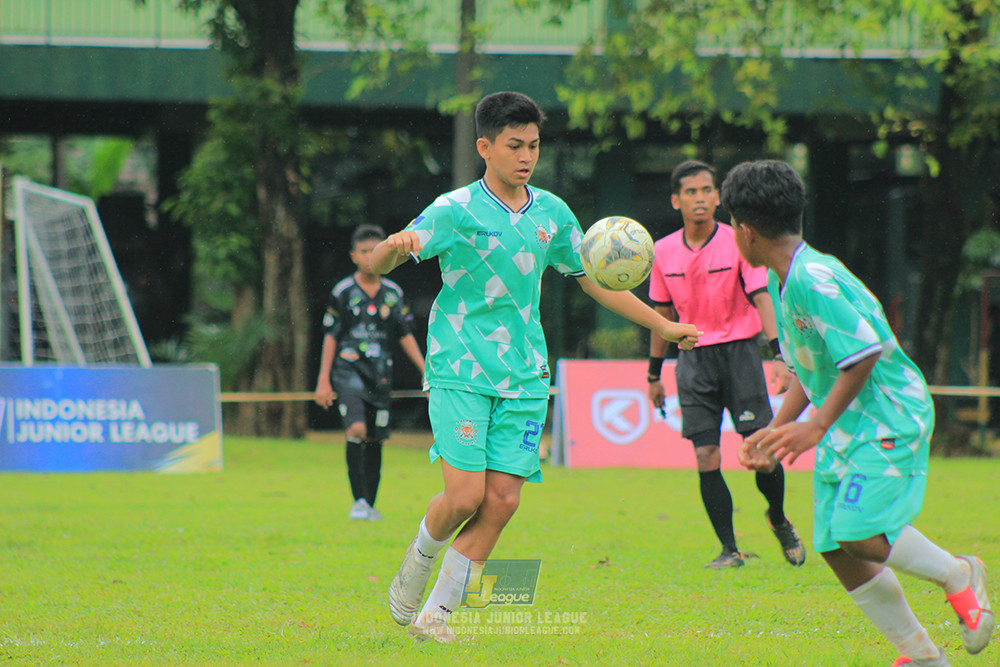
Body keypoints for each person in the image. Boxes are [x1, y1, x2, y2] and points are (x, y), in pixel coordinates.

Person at [369, 91, 702, 643]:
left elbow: (593, 278)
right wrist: (391, 246)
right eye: (515, 145)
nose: (527, 156)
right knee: (465, 497)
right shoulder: (454, 210)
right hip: (460, 367)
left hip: (525, 373)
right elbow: (384, 263)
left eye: (534, 146)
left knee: (502, 501)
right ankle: (419, 558)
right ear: (485, 147)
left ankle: (436, 617)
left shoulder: (552, 213)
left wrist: (661, 326)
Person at [723, 159, 993, 666]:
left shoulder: (813, 278)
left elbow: (864, 352)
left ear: (746, 230)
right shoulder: (790, 279)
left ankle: (960, 573)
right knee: (837, 546)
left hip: (888, 415)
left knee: (858, 532)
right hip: (849, 425)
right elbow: (811, 371)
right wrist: (776, 432)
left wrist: (816, 426)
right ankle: (923, 657)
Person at [646, 160, 804, 570]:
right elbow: (661, 316)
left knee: (761, 452)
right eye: (691, 192)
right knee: (706, 456)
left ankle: (778, 517)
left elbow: (762, 297)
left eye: (707, 191)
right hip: (693, 359)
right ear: (676, 200)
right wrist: (653, 373)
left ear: (718, 197)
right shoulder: (662, 251)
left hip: (741, 355)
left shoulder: (738, 243)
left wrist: (779, 354)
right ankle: (729, 550)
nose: (700, 198)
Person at [314, 224, 426, 521]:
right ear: (353, 256)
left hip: (381, 376)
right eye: (363, 252)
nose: (368, 257)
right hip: (348, 371)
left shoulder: (394, 293)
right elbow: (331, 336)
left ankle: (370, 505)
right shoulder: (343, 292)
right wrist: (323, 380)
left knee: (376, 438)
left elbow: (404, 334)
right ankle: (358, 501)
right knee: (357, 430)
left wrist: (426, 369)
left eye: (373, 251)